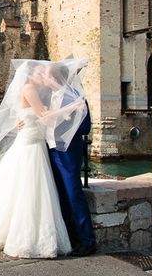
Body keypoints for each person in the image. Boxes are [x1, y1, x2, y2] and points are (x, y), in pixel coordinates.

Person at [0, 59, 87, 259]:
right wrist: (70, 109)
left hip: (36, 143)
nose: (43, 77)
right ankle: (26, 236)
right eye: (40, 73)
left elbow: (36, 114)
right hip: (31, 146)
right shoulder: (30, 89)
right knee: (29, 189)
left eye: (45, 74)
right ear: (30, 75)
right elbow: (47, 118)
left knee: (32, 189)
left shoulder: (42, 91)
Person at [46, 63, 97, 256]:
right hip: (53, 149)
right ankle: (71, 237)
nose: (44, 79)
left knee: (73, 193)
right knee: (61, 194)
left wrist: (67, 122)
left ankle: (87, 240)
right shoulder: (54, 95)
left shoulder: (73, 96)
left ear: (55, 78)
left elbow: (85, 127)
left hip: (67, 151)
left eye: (47, 76)